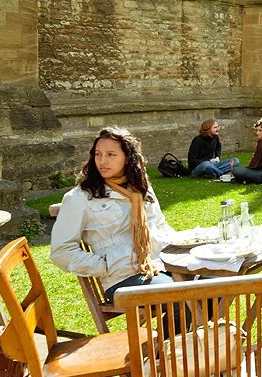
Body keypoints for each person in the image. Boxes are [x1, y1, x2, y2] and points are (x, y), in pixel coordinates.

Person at [51, 127, 178, 305]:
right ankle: (176, 333)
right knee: (183, 296)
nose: (102, 161)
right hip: (121, 278)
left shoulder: (141, 188)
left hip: (161, 265)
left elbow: (160, 224)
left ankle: (180, 333)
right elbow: (60, 251)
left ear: (127, 158)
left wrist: (181, 254)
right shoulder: (80, 197)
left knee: (216, 282)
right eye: (98, 154)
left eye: (111, 154)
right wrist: (105, 265)